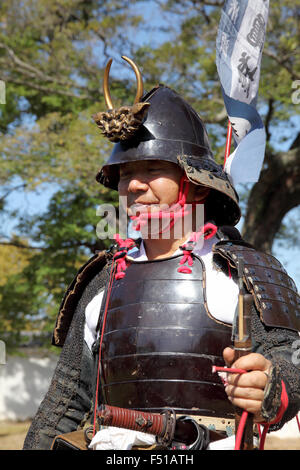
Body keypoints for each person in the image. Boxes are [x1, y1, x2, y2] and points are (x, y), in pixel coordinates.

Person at [23, 58, 300, 451]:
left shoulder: (246, 271)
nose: (133, 184)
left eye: (152, 168)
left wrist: (273, 386)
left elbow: (293, 361)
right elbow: (65, 401)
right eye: (124, 173)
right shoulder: (103, 279)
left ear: (198, 185)